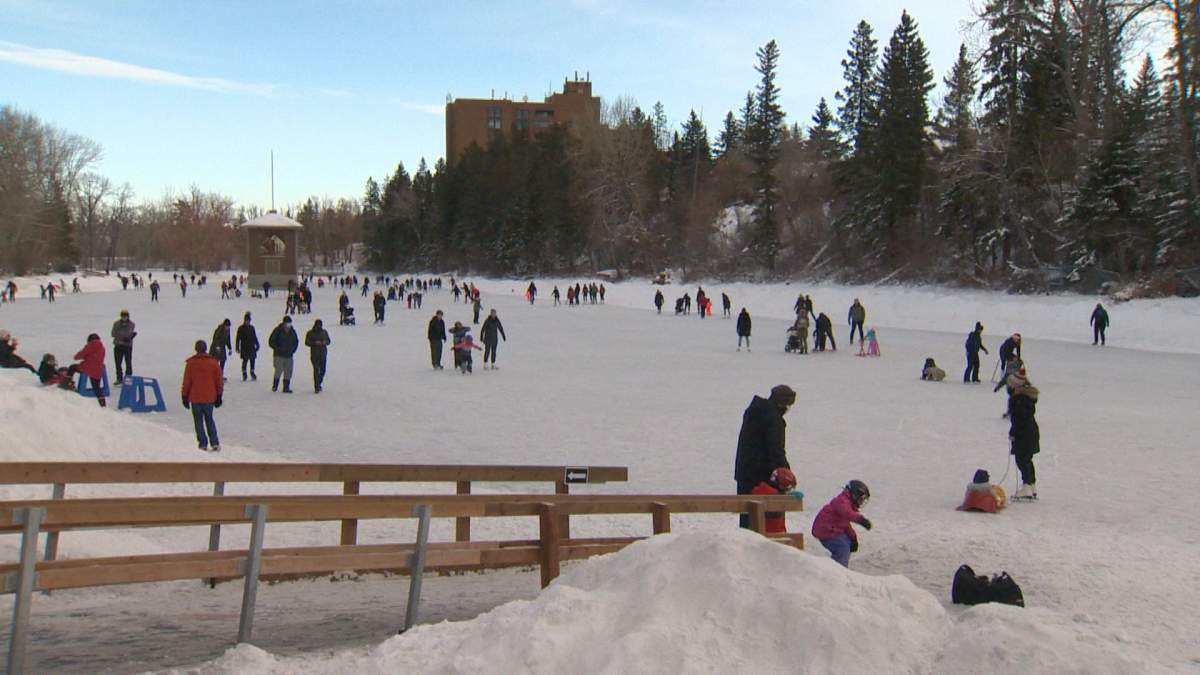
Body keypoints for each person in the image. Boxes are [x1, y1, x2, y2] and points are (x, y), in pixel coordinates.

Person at [734, 384, 796, 528]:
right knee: (765, 520)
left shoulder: (754, 412)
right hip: (762, 477)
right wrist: (786, 473)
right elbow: (776, 451)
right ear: (783, 403)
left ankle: (745, 547)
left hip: (744, 472)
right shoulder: (774, 420)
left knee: (746, 518)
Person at [811, 480, 872, 568]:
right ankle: (838, 570)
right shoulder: (842, 501)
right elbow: (848, 513)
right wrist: (861, 520)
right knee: (842, 547)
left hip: (832, 529)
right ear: (855, 495)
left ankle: (839, 565)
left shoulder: (847, 503)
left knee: (847, 542)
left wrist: (853, 538)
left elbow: (845, 524)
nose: (862, 502)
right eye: (861, 499)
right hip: (825, 530)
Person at [181, 339, 223, 452]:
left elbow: (187, 381)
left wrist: (184, 396)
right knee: (210, 419)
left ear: (196, 349)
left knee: (198, 421)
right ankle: (214, 442)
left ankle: (203, 443)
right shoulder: (213, 363)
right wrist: (219, 395)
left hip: (195, 397)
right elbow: (219, 381)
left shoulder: (191, 363)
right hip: (209, 397)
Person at [1009, 377, 1041, 499]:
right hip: (1031, 432)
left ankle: (1027, 485)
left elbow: (1019, 420)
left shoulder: (1019, 400)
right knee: (1027, 459)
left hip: (1024, 434)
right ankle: (1031, 485)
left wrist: (1013, 432)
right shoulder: (1027, 398)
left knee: (1022, 460)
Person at [751, 467, 800, 534]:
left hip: (763, 534)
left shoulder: (763, 491)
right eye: (786, 488)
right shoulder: (774, 497)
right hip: (772, 535)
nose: (787, 491)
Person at [70, 333, 107, 407]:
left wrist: (76, 357)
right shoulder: (102, 348)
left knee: (72, 367)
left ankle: (67, 383)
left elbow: (83, 353)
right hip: (98, 369)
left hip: (87, 367)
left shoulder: (91, 345)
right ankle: (102, 403)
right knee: (96, 386)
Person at [267, 315, 299, 393]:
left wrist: (293, 350)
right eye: (287, 323)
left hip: (289, 355)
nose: (288, 325)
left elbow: (296, 341)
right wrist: (278, 348)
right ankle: (275, 385)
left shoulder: (292, 331)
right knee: (278, 370)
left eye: (290, 323)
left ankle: (286, 387)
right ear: (284, 323)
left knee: (288, 371)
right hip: (279, 355)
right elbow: (271, 341)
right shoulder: (277, 330)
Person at [304, 319, 332, 393]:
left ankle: (318, 383)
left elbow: (329, 341)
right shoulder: (310, 333)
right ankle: (316, 386)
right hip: (314, 354)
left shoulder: (324, 332)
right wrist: (315, 343)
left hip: (323, 354)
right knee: (316, 370)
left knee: (323, 370)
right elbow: (307, 342)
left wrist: (324, 342)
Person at [110, 309, 137, 385]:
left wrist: (126, 337)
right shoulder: (116, 324)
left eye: (125, 316)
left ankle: (128, 379)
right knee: (118, 363)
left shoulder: (131, 324)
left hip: (127, 346)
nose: (124, 317)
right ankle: (119, 378)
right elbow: (113, 333)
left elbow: (129, 333)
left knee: (128, 363)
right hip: (118, 345)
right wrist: (123, 338)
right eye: (123, 316)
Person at [235, 312, 259, 381]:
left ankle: (252, 371)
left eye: (249, 321)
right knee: (245, 360)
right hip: (244, 347)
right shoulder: (241, 328)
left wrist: (257, 344)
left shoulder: (252, 328)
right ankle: (244, 372)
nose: (248, 322)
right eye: (247, 321)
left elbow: (254, 337)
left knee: (252, 360)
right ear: (244, 320)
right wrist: (237, 347)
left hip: (251, 347)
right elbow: (238, 339)